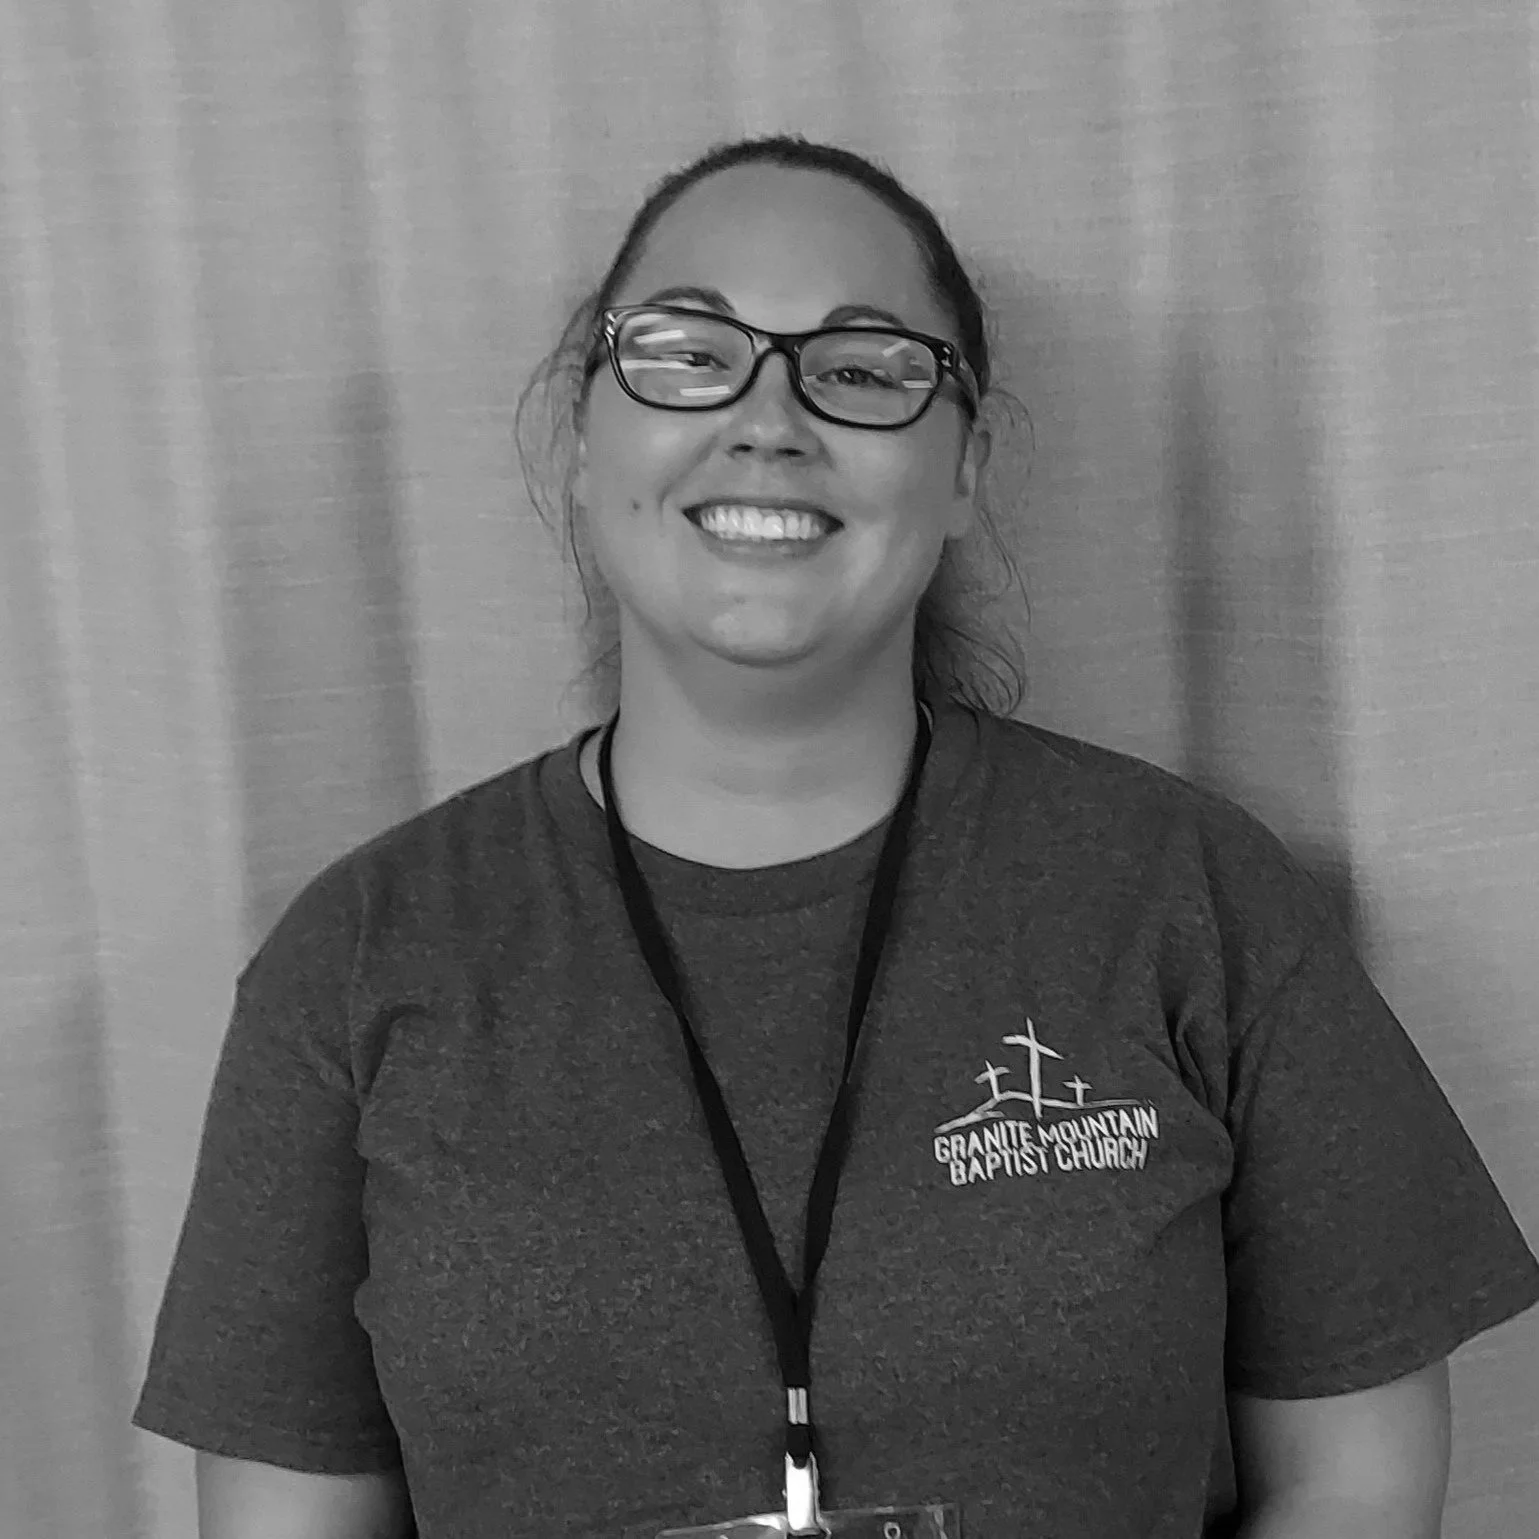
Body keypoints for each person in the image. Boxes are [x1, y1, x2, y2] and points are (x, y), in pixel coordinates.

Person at [133, 135, 1539, 1539]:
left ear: (967, 462)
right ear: (581, 437)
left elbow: (1357, 1483)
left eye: (860, 369)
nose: (767, 419)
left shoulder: (1189, 894)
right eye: (688, 352)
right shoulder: (360, 955)